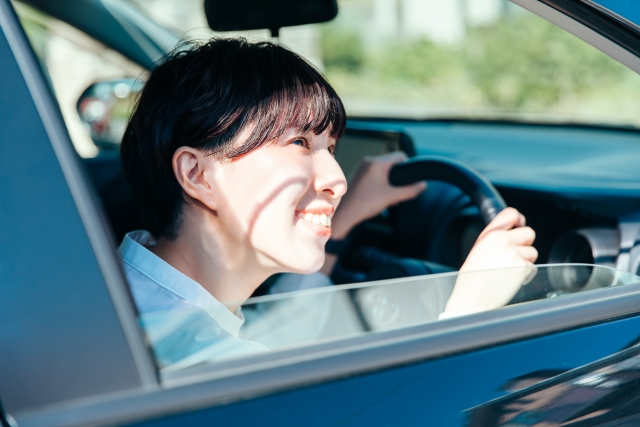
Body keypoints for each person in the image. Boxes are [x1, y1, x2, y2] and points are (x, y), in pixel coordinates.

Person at [119, 38, 537, 370]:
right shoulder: (206, 362)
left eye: (330, 147)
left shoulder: (128, 290)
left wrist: (346, 217)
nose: (337, 179)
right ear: (198, 174)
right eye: (299, 142)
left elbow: (278, 338)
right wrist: (469, 311)